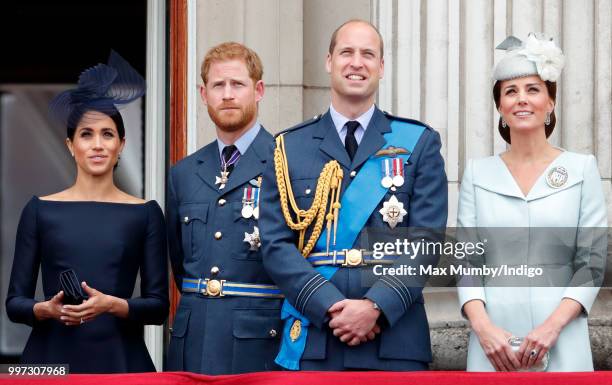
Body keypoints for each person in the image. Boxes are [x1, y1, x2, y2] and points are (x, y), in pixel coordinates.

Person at [259, 19, 447, 371]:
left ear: (381, 67)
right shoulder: (289, 147)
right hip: (317, 337)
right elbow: (275, 244)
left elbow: (428, 241)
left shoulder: (418, 142)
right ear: (329, 61)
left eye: (368, 54)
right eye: (347, 52)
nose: (356, 62)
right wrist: (330, 305)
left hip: (394, 339)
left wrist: (376, 306)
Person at [5, 52, 169, 373]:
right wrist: (45, 309)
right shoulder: (40, 210)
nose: (97, 144)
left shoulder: (146, 213)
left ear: (121, 144)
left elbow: (159, 307)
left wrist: (114, 305)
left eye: (107, 134)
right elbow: (14, 303)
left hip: (120, 361)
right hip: (49, 363)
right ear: (70, 145)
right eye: (86, 134)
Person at [457, 33, 607, 371]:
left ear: (550, 102)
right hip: (493, 341)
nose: (521, 99)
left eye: (533, 89)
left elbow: (592, 263)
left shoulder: (582, 169)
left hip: (562, 335)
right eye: (511, 91)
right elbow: (466, 263)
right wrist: (484, 329)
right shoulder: (478, 173)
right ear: (500, 107)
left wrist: (550, 328)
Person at [166, 42, 282, 374]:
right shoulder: (184, 173)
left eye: (238, 84)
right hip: (193, 340)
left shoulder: (286, 162)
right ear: (203, 94)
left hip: (258, 343)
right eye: (218, 85)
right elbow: (180, 263)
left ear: (258, 90)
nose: (227, 94)